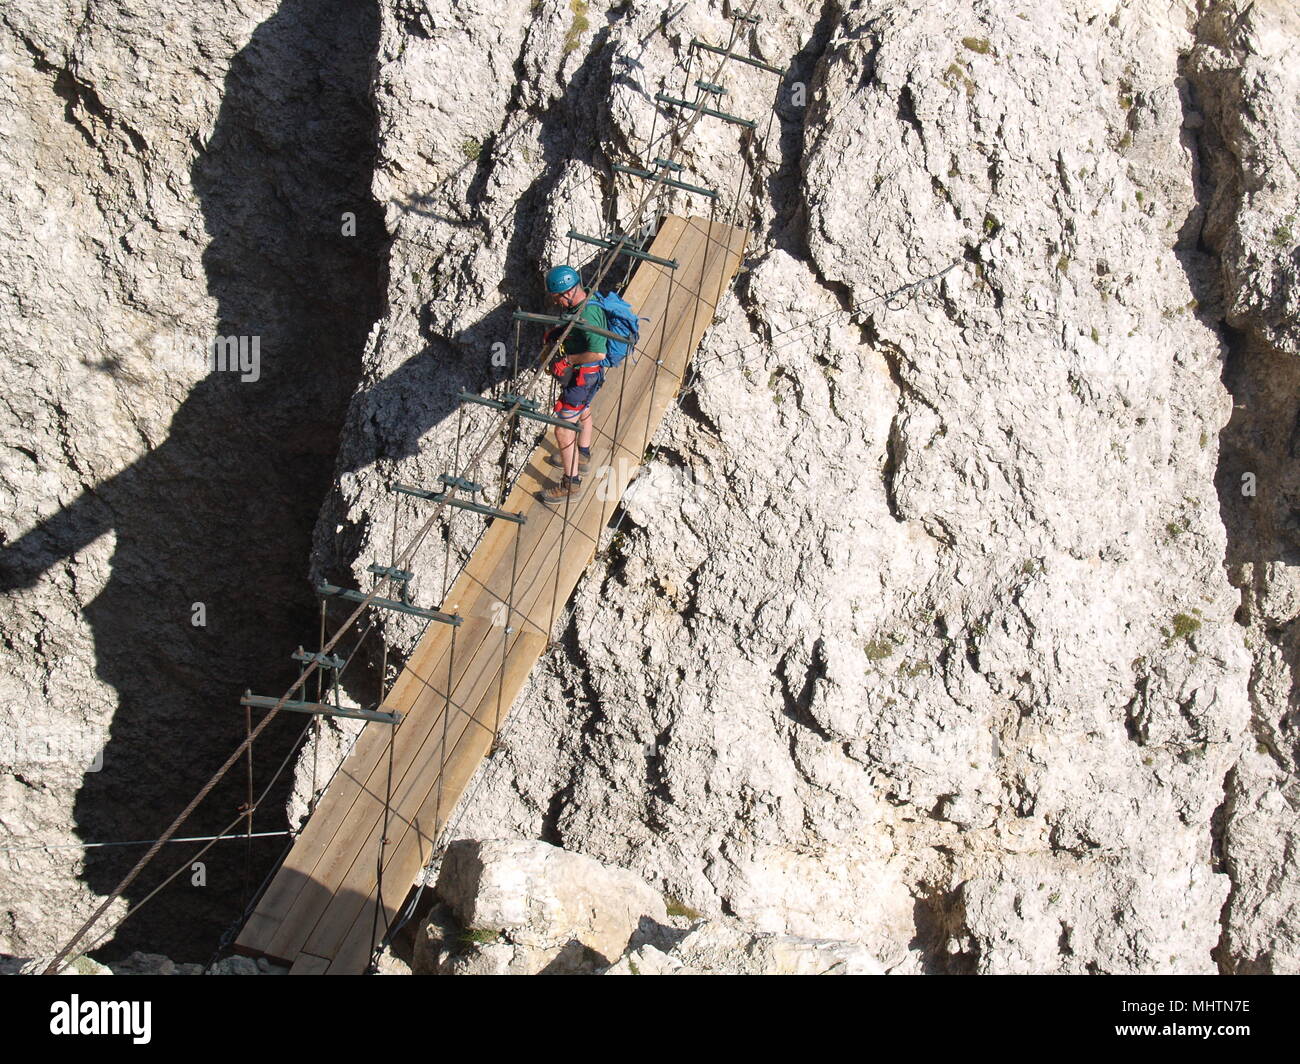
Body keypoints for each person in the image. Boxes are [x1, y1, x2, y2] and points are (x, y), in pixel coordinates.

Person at [539, 264, 607, 505]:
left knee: (562, 428)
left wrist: (567, 360)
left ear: (567, 293)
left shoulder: (588, 314)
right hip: (588, 377)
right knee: (583, 410)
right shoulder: (585, 302)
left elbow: (598, 353)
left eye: (557, 297)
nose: (556, 302)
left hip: (583, 377)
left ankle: (571, 484)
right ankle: (584, 454)